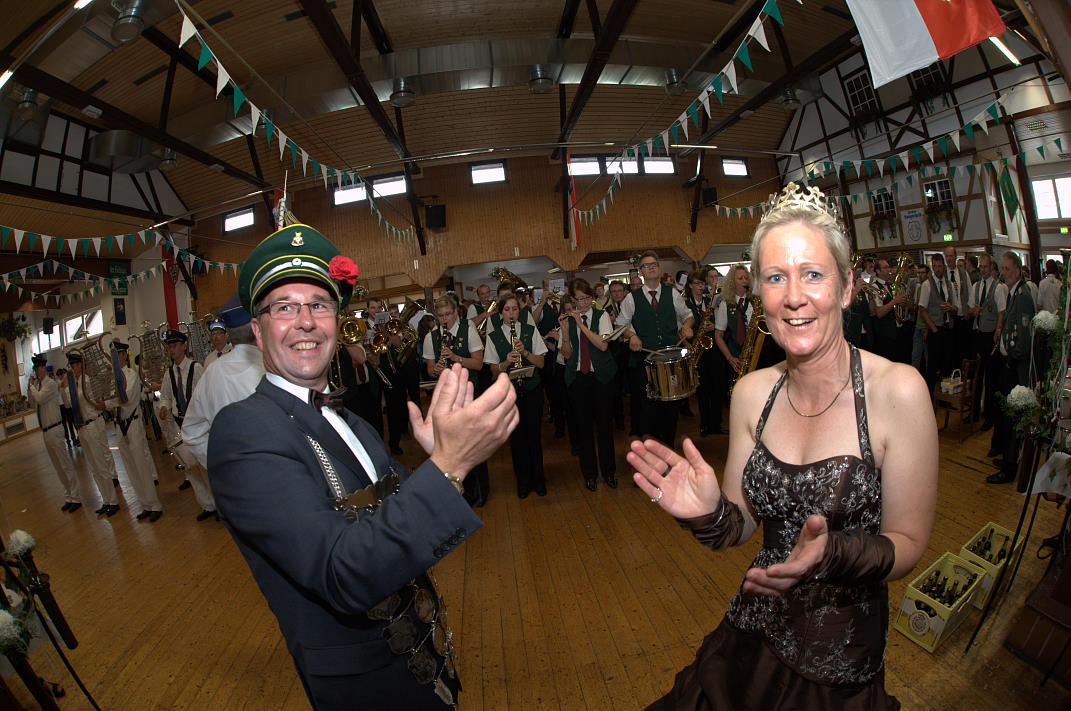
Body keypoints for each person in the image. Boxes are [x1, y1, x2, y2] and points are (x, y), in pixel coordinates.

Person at [631, 182, 937, 710]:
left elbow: (908, 541)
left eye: (813, 274)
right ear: (760, 294)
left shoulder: (897, 391)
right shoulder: (752, 393)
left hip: (837, 666)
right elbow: (741, 525)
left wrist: (833, 553)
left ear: (846, 287)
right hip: (751, 639)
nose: (794, 296)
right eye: (776, 277)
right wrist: (708, 514)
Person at [208, 224, 518, 711]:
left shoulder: (351, 420)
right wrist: (450, 465)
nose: (306, 321)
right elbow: (344, 572)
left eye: (320, 305)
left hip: (421, 661)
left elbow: (394, 519)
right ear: (258, 330)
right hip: (365, 687)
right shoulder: (243, 431)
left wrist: (439, 459)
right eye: (285, 307)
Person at [181, 297, 264, 521]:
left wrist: (221, 463)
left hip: (235, 484)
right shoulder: (272, 368)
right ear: (257, 328)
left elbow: (190, 433)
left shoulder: (211, 373)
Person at [615, 250, 694, 446]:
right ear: (640, 272)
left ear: (659, 268)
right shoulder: (631, 298)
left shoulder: (672, 293)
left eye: (653, 265)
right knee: (647, 408)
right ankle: (651, 450)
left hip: (670, 360)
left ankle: (668, 447)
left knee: (670, 407)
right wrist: (632, 335)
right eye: (646, 266)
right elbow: (620, 325)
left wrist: (687, 326)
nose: (650, 268)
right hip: (645, 361)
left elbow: (688, 315)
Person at [422, 295, 490, 506]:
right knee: (453, 447)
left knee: (473, 443)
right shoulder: (431, 337)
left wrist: (455, 358)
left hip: (469, 391)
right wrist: (436, 369)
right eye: (440, 316)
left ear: (456, 313)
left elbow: (478, 364)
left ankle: (480, 492)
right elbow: (430, 370)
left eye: (448, 315)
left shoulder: (468, 329)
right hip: (447, 397)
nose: (445, 320)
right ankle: (460, 492)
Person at [483, 293, 547, 497]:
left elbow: (541, 363)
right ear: (500, 313)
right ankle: (523, 483)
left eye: (515, 309)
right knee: (517, 439)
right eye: (507, 309)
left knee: (534, 436)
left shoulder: (530, 330)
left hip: (532, 388)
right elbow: (493, 371)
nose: (511, 313)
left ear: (519, 311)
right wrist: (506, 362)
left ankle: (539, 480)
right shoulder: (493, 336)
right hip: (509, 392)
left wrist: (525, 352)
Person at [559, 279, 617, 491]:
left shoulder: (602, 316)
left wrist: (581, 324)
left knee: (604, 427)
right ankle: (590, 474)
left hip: (601, 376)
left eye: (586, 299)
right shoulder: (568, 319)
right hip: (578, 377)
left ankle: (609, 472)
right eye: (579, 299)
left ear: (591, 298)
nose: (582, 303)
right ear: (573, 300)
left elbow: (602, 345)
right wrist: (566, 332)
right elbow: (566, 355)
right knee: (583, 428)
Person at [100, 340, 163, 521]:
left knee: (141, 465)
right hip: (119, 424)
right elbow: (108, 395)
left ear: (123, 356)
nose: (114, 359)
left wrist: (107, 403)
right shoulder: (112, 377)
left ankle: (155, 504)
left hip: (133, 422)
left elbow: (124, 398)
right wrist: (108, 401)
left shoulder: (131, 375)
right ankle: (145, 504)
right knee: (130, 468)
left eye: (116, 356)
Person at [989, 251, 1035, 485]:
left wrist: (1011, 359)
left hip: (1016, 367)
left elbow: (1024, 339)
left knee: (1013, 419)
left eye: (1007, 269)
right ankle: (1008, 458)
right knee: (1006, 416)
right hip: (1009, 363)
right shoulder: (1014, 292)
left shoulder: (1023, 296)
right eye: (1003, 269)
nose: (1004, 273)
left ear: (1017, 270)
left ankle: (1010, 468)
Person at [60, 352, 121, 516]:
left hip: (93, 423)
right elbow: (68, 404)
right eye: (72, 366)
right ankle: (106, 500)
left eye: (76, 365)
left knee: (100, 465)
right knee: (93, 468)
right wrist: (65, 387)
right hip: (81, 427)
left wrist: (69, 387)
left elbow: (85, 399)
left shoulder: (87, 381)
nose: (74, 368)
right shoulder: (74, 384)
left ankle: (113, 501)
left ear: (81, 365)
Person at [27, 355, 81, 512]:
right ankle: (68, 496)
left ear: (44, 368)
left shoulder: (50, 384)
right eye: (35, 369)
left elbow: (40, 398)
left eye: (39, 368)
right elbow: (33, 402)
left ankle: (76, 497)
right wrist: (32, 388)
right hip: (46, 430)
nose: (37, 371)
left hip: (55, 428)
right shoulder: (38, 386)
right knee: (57, 466)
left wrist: (31, 387)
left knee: (65, 464)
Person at [159, 329, 204, 480]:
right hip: (178, 424)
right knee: (190, 470)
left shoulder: (195, 368)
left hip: (196, 423)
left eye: (175, 346)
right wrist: (164, 406)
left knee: (203, 466)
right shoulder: (169, 373)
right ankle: (201, 496)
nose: (172, 350)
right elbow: (165, 396)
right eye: (169, 347)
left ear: (184, 346)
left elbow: (204, 394)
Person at [685, 271, 723, 436]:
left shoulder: (711, 302)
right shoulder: (685, 304)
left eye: (702, 284)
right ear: (690, 285)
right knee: (703, 391)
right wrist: (689, 346)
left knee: (717, 388)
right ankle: (705, 424)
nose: (701, 287)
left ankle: (716, 424)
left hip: (713, 349)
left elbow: (721, 323)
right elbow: (680, 329)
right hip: (697, 351)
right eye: (697, 284)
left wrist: (714, 326)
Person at [967, 254, 1002, 429]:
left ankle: (989, 415)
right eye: (980, 267)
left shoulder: (998, 288)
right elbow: (970, 309)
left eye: (985, 267)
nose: (982, 270)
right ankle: (973, 412)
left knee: (990, 377)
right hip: (978, 333)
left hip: (990, 336)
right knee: (977, 375)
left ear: (992, 267)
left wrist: (998, 331)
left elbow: (1002, 312)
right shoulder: (976, 286)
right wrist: (973, 311)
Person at [917, 253, 960, 394]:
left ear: (944, 266)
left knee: (947, 365)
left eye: (940, 266)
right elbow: (922, 310)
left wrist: (950, 308)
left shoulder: (949, 284)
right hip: (935, 330)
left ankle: (945, 396)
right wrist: (933, 329)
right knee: (932, 366)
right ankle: (930, 396)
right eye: (935, 266)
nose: (937, 269)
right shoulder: (927, 285)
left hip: (948, 328)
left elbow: (957, 309)